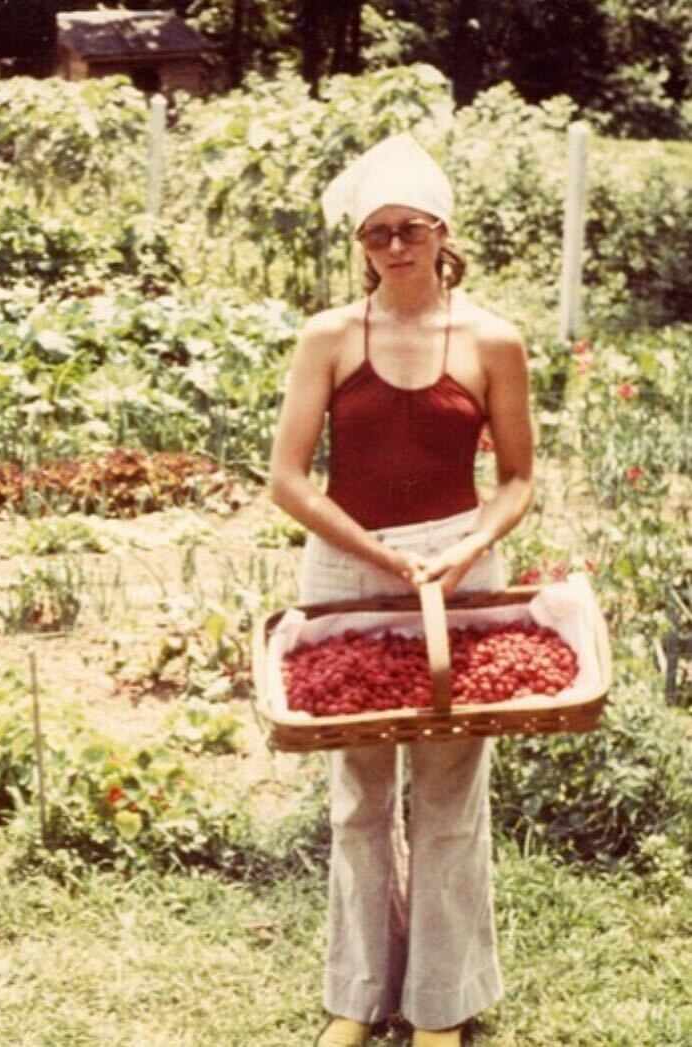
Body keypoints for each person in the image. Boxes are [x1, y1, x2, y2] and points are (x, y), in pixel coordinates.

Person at [268, 134, 534, 1047]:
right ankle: (357, 995)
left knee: (452, 791)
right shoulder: (330, 338)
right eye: (375, 232)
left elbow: (516, 480)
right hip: (347, 566)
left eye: (408, 228)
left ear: (440, 232)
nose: (392, 246)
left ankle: (441, 1004)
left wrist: (465, 548)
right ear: (360, 243)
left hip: (459, 565)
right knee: (358, 792)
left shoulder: (492, 339)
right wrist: (375, 555)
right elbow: (289, 479)